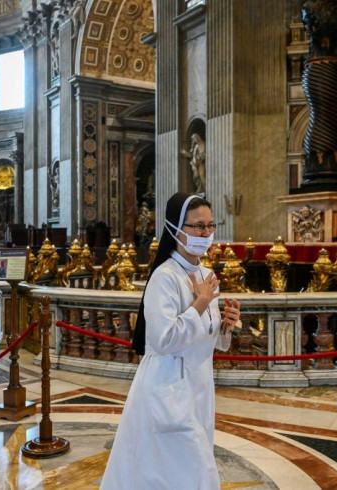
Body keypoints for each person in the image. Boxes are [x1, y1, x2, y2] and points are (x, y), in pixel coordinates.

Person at [100, 193, 241, 489]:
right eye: (198, 227)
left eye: (210, 226)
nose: (206, 234)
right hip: (167, 382)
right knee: (175, 469)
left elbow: (209, 338)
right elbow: (162, 340)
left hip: (200, 385)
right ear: (176, 229)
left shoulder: (205, 273)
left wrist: (225, 327)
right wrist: (200, 304)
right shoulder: (164, 277)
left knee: (192, 463)